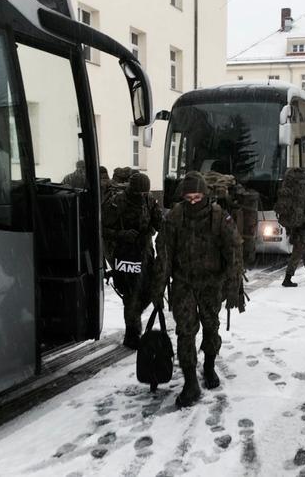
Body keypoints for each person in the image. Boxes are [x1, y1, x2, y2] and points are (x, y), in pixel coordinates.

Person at [151, 171, 244, 408]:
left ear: (206, 195)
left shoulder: (219, 218)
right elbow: (164, 255)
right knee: (185, 332)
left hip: (212, 285)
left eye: (197, 196)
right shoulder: (174, 218)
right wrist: (158, 288)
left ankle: (210, 366)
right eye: (189, 197)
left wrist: (234, 288)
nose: (193, 201)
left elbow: (234, 253)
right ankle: (190, 383)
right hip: (183, 284)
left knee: (211, 328)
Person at [102, 172, 163, 349]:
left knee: (151, 290)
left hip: (145, 252)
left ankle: (134, 321)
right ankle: (132, 334)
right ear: (131, 189)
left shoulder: (149, 200)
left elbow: (159, 222)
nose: (142, 196)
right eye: (139, 193)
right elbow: (102, 229)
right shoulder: (118, 202)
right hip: (125, 254)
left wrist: (159, 228)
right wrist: (122, 234)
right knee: (131, 295)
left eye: (145, 193)